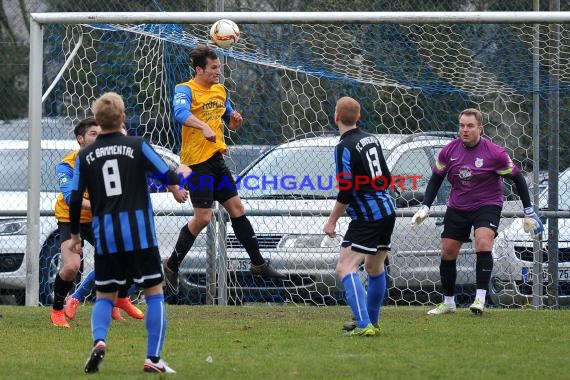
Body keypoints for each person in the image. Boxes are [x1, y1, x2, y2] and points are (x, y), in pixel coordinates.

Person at [68, 92, 188, 373]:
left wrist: (74, 235)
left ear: (97, 120)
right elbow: (168, 175)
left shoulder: (84, 156)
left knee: (104, 296)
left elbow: (74, 199)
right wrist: (185, 171)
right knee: (154, 294)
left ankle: (99, 341)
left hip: (107, 237)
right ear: (123, 118)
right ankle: (153, 358)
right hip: (140, 235)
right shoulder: (137, 145)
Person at [163, 44, 285, 293]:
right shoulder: (185, 89)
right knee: (203, 218)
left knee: (238, 208)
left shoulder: (220, 91)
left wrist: (234, 120)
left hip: (216, 159)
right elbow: (179, 113)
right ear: (199, 69)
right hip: (196, 163)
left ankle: (258, 263)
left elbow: (229, 120)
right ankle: (171, 266)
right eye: (214, 68)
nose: (218, 72)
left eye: (219, 67)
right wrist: (202, 127)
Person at [411, 108, 544, 316]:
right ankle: (448, 303)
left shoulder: (495, 153)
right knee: (447, 251)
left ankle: (480, 300)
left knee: (483, 242)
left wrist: (528, 210)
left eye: (470, 126)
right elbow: (436, 178)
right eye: (462, 125)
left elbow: (518, 178)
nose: (465, 130)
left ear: (480, 128)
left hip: (487, 204)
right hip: (458, 205)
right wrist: (425, 206)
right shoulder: (448, 151)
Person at [50, 117, 144, 328]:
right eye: (94, 134)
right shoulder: (67, 164)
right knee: (72, 267)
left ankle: (119, 300)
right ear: (80, 139)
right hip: (70, 218)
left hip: (98, 219)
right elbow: (70, 197)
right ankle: (57, 310)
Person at [323, 97, 396, 337]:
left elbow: (346, 189)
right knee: (374, 268)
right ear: (359, 116)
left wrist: (332, 220)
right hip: (386, 211)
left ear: (336, 117)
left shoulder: (344, 146)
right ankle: (371, 322)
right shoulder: (371, 139)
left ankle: (364, 324)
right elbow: (385, 176)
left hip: (368, 217)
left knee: (345, 268)